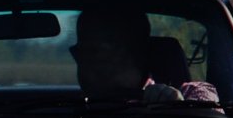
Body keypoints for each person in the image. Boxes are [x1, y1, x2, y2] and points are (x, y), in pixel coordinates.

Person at [70, 9, 219, 103]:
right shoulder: (65, 110)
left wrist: (178, 108)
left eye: (96, 52)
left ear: (135, 53)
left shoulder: (190, 93)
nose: (84, 61)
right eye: (80, 52)